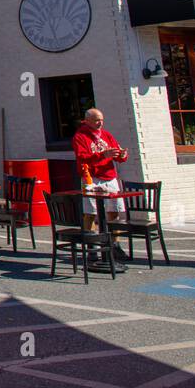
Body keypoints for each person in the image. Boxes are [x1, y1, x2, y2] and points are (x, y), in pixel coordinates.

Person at [72, 108, 129, 271]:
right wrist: (102, 155)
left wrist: (121, 155)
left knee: (115, 211)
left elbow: (116, 154)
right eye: (97, 120)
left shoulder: (107, 135)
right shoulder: (80, 136)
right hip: (91, 177)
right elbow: (82, 157)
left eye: (102, 120)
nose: (100, 123)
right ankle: (92, 248)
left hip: (109, 176)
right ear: (87, 120)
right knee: (90, 212)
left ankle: (114, 244)